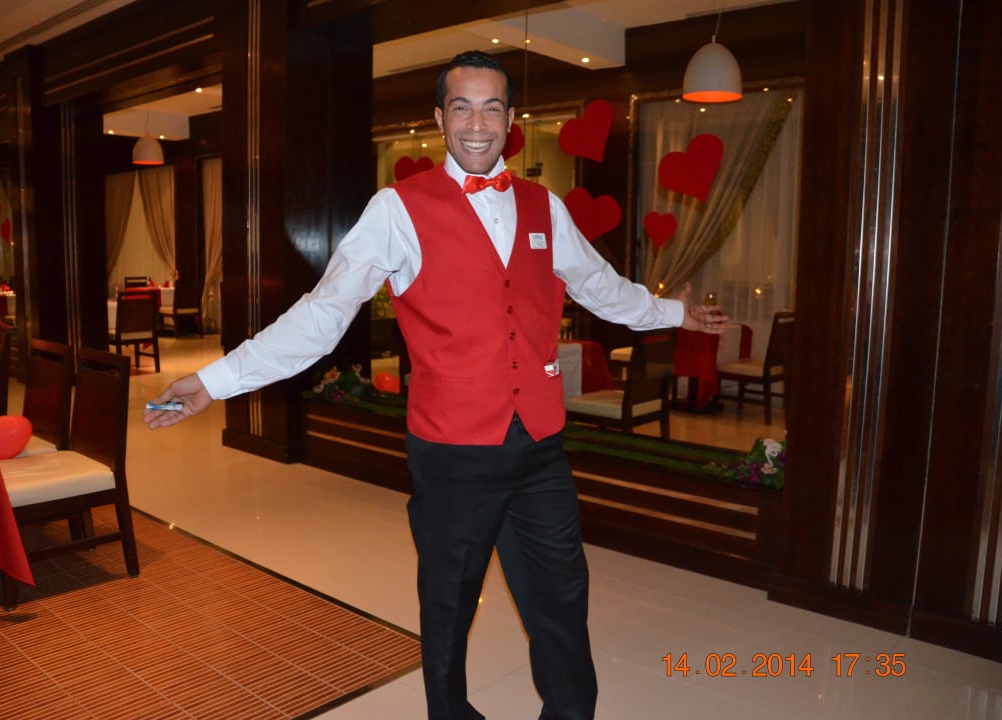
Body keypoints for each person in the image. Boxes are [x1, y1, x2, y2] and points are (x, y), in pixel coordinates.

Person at [145, 50, 728, 720]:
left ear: (511, 118)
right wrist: (213, 380)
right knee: (448, 606)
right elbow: (321, 316)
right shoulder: (396, 209)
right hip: (452, 453)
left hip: (539, 447)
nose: (477, 124)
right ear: (439, 117)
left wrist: (674, 312)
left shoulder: (544, 206)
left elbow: (602, 288)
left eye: (491, 108)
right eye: (462, 108)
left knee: (563, 599)